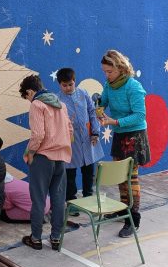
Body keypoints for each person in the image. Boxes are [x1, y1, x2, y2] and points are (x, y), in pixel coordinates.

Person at [99, 50, 151, 238]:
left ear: (120, 68)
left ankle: (133, 219)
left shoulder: (133, 87)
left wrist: (114, 122)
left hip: (134, 135)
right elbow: (102, 101)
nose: (107, 75)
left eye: (109, 71)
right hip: (120, 134)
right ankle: (123, 210)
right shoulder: (109, 85)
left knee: (131, 176)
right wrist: (98, 107)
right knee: (121, 176)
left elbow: (140, 115)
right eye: (104, 72)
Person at [19, 75, 72, 251]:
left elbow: (38, 135)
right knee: (58, 199)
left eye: (26, 97)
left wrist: (29, 153)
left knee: (39, 199)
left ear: (29, 92)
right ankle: (56, 237)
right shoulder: (61, 105)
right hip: (61, 158)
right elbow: (70, 130)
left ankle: (36, 238)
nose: (28, 100)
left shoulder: (37, 104)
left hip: (43, 158)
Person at [56, 68, 104, 207]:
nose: (68, 88)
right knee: (70, 174)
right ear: (59, 85)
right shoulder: (57, 100)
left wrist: (95, 132)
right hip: (70, 142)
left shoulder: (83, 93)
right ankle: (72, 203)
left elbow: (92, 112)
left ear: (74, 81)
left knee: (89, 172)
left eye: (70, 84)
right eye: (64, 85)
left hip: (87, 139)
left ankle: (88, 199)